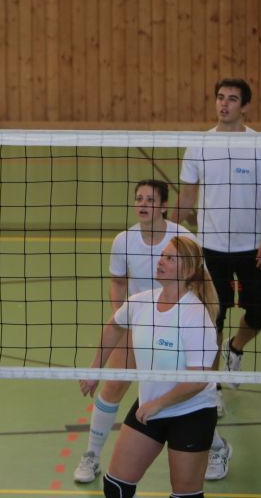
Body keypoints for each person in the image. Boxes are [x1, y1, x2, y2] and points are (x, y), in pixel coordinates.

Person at [174, 77, 261, 478]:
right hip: (211, 249)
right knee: (211, 322)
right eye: (220, 97)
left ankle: (237, 348)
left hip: (252, 247)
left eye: (232, 99)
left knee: (259, 314)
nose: (224, 104)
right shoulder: (200, 144)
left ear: (244, 106)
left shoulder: (260, 145)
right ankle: (213, 387)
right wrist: (174, 229)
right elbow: (188, 196)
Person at [73, 180, 196, 484]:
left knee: (178, 394)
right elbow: (117, 281)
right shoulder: (123, 241)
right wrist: (123, 315)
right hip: (138, 323)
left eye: (150, 200)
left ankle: (217, 447)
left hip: (174, 326)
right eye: (139, 198)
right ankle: (92, 455)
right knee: (114, 386)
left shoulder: (183, 239)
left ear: (164, 206)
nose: (142, 204)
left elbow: (199, 283)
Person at [79, 236, 220, 498]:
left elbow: (198, 380)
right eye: (162, 255)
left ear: (188, 269)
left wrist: (159, 404)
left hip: (191, 412)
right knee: (116, 487)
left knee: (185, 495)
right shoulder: (141, 302)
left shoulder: (195, 315)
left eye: (170, 258)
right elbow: (115, 325)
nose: (160, 262)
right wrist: (95, 368)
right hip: (150, 406)